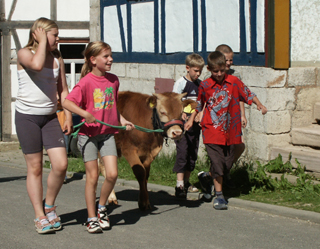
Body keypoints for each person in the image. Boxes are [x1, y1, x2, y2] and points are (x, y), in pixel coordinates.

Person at [63, 41, 135, 233]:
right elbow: (67, 102)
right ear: (93, 60)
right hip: (88, 136)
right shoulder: (86, 81)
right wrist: (84, 114)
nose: (110, 59)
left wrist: (123, 120)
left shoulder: (113, 80)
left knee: (112, 174)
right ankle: (91, 217)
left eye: (111, 55)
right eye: (106, 56)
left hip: (107, 134)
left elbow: (112, 107)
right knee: (92, 178)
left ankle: (102, 207)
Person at [15, 17, 72, 234]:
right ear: (38, 35)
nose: (58, 38)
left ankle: (49, 205)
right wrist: (40, 43)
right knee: (36, 167)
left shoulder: (57, 58)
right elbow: (37, 65)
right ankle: (39, 216)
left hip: (49, 118)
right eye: (54, 35)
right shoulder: (23, 54)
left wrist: (67, 116)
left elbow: (63, 91)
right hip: (27, 118)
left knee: (60, 165)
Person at [190, 51, 267, 210]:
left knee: (226, 163)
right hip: (211, 129)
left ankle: (206, 178)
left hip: (231, 130)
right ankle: (219, 196)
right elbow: (198, 104)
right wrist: (191, 119)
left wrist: (259, 104)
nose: (219, 74)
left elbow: (248, 94)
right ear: (210, 70)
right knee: (218, 162)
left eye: (222, 71)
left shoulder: (234, 82)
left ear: (226, 67)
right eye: (215, 71)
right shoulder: (205, 85)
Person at [172, 53, 205, 199]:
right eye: (195, 71)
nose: (198, 74)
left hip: (195, 126)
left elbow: (202, 103)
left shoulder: (200, 84)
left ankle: (186, 182)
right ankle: (179, 185)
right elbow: (174, 101)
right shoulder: (181, 83)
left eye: (200, 71)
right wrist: (181, 113)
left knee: (192, 153)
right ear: (188, 68)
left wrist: (200, 113)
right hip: (182, 126)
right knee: (182, 153)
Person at [215, 44, 246, 188]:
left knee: (238, 146)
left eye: (231, 60)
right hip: (217, 119)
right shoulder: (212, 75)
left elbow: (239, 97)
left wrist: (242, 116)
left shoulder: (235, 75)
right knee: (219, 150)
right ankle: (219, 179)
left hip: (232, 118)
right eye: (226, 60)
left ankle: (225, 171)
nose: (229, 63)